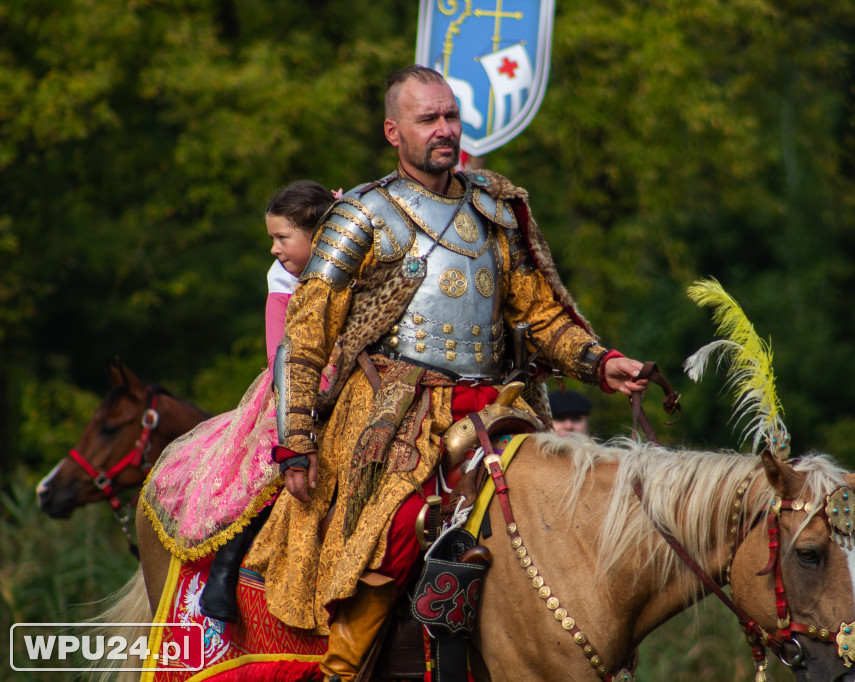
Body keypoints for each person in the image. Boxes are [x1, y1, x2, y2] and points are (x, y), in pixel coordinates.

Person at [244, 66, 648, 681]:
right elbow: (304, 339)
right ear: (392, 131)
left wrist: (602, 361)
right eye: (428, 119)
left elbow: (540, 313)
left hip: (494, 402)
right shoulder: (361, 215)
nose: (444, 130)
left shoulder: (495, 208)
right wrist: (295, 443)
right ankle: (343, 670)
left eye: (451, 116)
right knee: (398, 524)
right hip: (395, 412)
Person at [139, 179, 336, 622]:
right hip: (300, 381)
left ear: (317, 236)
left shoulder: (358, 267)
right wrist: (315, 383)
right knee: (271, 449)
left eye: (281, 238)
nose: (274, 249)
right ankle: (226, 570)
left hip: (358, 376)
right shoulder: (284, 278)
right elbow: (278, 354)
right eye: (273, 238)